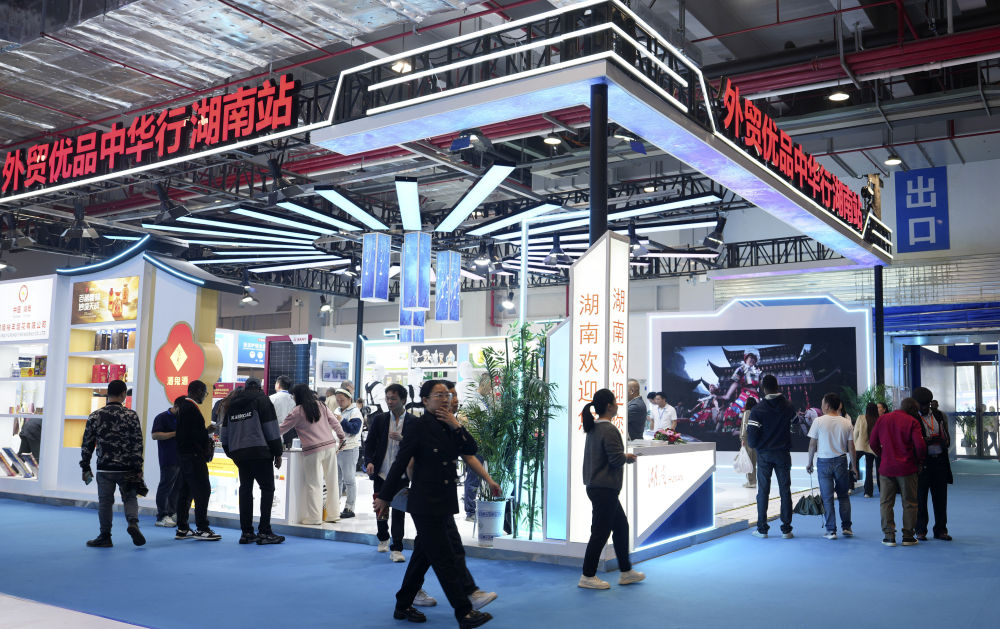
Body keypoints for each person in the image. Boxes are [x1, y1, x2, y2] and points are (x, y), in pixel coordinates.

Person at [375, 380, 497, 628]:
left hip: (444, 501)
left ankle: (402, 604)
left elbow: (471, 448)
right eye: (439, 395)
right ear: (425, 400)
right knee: (444, 558)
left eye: (447, 395)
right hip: (425, 503)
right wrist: (384, 497)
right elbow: (401, 462)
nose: (445, 399)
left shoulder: (449, 424)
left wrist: (456, 425)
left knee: (423, 556)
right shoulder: (418, 426)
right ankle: (464, 612)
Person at [578, 388, 645, 590]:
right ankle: (587, 575)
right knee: (600, 532)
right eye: (615, 402)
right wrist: (627, 457)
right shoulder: (609, 429)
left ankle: (626, 571)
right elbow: (615, 459)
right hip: (605, 488)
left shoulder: (594, 428)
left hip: (597, 486)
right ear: (609, 406)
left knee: (621, 527)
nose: (617, 405)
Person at [79, 380, 145, 548]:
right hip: (127, 467)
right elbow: (137, 442)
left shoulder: (95, 416)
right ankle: (133, 523)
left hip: (104, 467)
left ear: (108, 394)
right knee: (130, 497)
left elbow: (87, 444)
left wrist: (85, 466)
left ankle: (105, 536)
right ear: (123, 394)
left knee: (105, 502)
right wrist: (138, 466)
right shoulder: (131, 415)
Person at [221, 378, 285, 545]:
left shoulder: (232, 404)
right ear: (259, 387)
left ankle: (247, 533)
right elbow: (271, 428)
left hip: (240, 454)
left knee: (245, 490)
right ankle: (264, 531)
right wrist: (277, 452)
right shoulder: (262, 401)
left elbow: (224, 434)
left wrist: (232, 453)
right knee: (267, 489)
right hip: (259, 452)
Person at [282, 384, 346, 524]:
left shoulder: (297, 411)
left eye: (293, 396)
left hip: (312, 450)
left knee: (314, 484)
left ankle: (315, 517)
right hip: (330, 446)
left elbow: (282, 429)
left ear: (297, 396)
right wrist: (341, 437)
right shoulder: (321, 405)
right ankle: (333, 514)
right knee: (332, 482)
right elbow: (334, 422)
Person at [365, 383, 413, 561]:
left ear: (403, 400)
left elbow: (418, 446)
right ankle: (383, 537)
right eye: (388, 398)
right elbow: (369, 444)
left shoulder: (413, 422)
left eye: (393, 398)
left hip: (402, 474)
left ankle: (397, 547)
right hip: (381, 472)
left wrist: (403, 439)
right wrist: (369, 461)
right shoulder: (380, 419)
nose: (390, 402)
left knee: (399, 510)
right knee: (380, 508)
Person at [870, 398, 927, 547]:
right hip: (907, 468)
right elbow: (920, 446)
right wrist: (920, 461)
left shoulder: (883, 419)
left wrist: (883, 455)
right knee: (910, 502)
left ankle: (889, 536)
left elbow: (873, 442)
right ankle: (908, 536)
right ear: (913, 410)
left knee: (886, 503)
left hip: (886, 468)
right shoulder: (912, 422)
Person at [746, 373, 795, 539]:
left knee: (763, 491)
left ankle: (762, 529)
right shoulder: (788, 406)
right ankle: (786, 529)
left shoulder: (757, 409)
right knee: (785, 491)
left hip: (764, 455)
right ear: (777, 386)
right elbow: (796, 424)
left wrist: (760, 446)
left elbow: (751, 439)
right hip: (783, 454)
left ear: (763, 388)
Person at [174, 380, 221, 541]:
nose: (204, 396)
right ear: (199, 391)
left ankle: (183, 528)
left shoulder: (184, 407)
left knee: (185, 492)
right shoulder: (191, 408)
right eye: (205, 393)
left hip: (185, 456)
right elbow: (194, 435)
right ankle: (202, 528)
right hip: (194, 456)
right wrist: (206, 433)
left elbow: (187, 433)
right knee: (202, 490)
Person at [805, 392, 856, 539]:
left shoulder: (818, 421)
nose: (821, 406)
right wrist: (854, 466)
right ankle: (847, 527)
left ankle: (831, 530)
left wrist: (809, 462)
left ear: (827, 405)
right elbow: (851, 447)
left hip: (823, 462)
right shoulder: (846, 422)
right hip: (841, 461)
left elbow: (812, 444)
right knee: (843, 496)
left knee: (827, 498)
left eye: (822, 403)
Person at [913, 388, 953, 541]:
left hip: (939, 462)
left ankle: (941, 530)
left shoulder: (939, 415)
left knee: (941, 498)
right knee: (920, 498)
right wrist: (924, 441)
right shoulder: (912, 418)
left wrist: (943, 440)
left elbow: (947, 437)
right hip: (922, 463)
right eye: (921, 405)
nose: (924, 407)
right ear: (916, 404)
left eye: (927, 404)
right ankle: (920, 530)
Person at [151, 398, 182, 528]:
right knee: (165, 487)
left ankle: (171, 513)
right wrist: (175, 433)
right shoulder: (162, 417)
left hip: (181, 458)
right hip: (168, 458)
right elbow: (155, 435)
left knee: (177, 488)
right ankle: (161, 516)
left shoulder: (182, 418)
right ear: (176, 406)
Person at [335, 387, 363, 518]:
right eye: (338, 400)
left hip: (349, 449)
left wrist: (341, 420)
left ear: (349, 399)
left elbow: (354, 429)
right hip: (336, 449)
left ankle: (350, 508)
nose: (340, 402)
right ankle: (334, 505)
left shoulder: (355, 412)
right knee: (336, 480)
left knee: (349, 480)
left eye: (342, 400)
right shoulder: (337, 410)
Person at [854, 402, 878, 498]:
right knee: (869, 469)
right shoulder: (878, 419)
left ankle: (849, 486)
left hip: (860, 446)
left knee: (852, 464)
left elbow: (856, 432)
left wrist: (853, 444)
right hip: (871, 448)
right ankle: (868, 492)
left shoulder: (861, 418)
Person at [270, 376, 295, 449]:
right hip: (290, 432)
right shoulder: (293, 399)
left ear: (278, 384)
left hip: (275, 431)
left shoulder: (272, 398)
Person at [739, 397, 758, 489]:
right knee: (753, 461)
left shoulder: (747, 413)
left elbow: (744, 426)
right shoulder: (756, 412)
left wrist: (743, 438)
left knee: (748, 461)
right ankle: (753, 481)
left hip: (747, 440)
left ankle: (751, 481)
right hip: (756, 440)